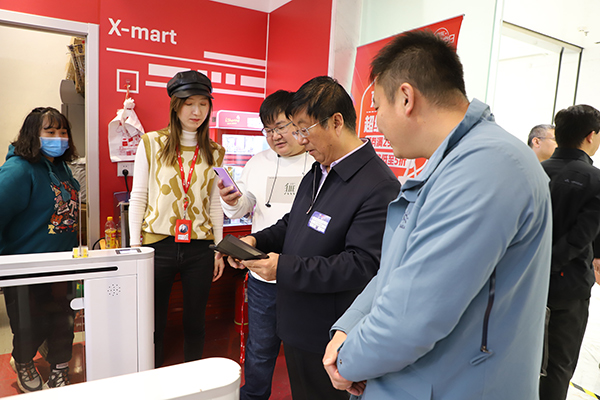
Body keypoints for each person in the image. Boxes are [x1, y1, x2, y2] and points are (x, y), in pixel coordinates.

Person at [323, 30, 552, 399]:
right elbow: (395, 273)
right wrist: (347, 329)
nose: (376, 123)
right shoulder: (453, 164)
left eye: (376, 107)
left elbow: (411, 319)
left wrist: (346, 362)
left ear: (406, 98)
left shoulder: (487, 166)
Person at [228, 76, 400, 400]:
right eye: (295, 130)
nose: (300, 140)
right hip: (296, 321)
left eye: (304, 129)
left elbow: (361, 265)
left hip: (328, 332)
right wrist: (257, 242)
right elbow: (293, 223)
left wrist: (283, 268)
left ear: (336, 122)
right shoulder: (320, 169)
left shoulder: (378, 185)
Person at [218, 90, 312, 400]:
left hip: (305, 276)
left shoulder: (317, 161)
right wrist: (231, 200)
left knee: (307, 353)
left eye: (281, 126)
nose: (275, 136)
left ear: (299, 123)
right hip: (262, 276)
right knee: (259, 349)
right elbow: (243, 207)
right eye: (268, 130)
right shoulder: (257, 162)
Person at [129, 70, 226, 367]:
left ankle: (193, 376)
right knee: (153, 320)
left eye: (203, 104)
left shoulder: (215, 151)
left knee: (195, 320)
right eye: (189, 103)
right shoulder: (151, 143)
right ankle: (153, 374)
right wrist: (135, 247)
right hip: (157, 245)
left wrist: (219, 248)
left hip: (200, 248)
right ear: (175, 106)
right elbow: (139, 195)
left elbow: (214, 202)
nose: (197, 111)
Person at [0, 107, 81, 392]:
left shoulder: (62, 168)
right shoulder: (18, 170)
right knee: (29, 325)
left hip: (63, 263)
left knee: (64, 321)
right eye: (50, 131)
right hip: (26, 267)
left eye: (63, 132)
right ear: (33, 134)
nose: (58, 138)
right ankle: (23, 361)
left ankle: (59, 368)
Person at [539, 105, 600, 400]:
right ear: (590, 136)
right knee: (558, 368)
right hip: (568, 289)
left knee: (523, 361)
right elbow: (580, 238)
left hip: (525, 285)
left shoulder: (534, 171)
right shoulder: (594, 179)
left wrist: (535, 269)